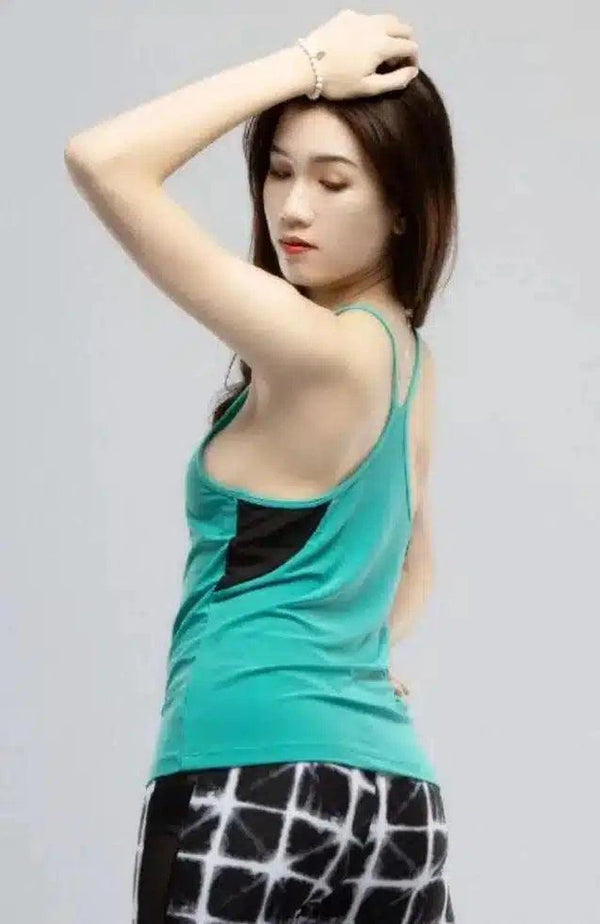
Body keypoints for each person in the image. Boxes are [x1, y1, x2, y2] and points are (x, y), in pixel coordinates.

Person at [65, 10, 457, 922]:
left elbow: (103, 160)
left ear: (403, 205)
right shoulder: (411, 361)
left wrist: (304, 64)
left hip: (246, 776)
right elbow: (412, 562)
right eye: (279, 171)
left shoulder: (316, 349)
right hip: (396, 803)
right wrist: (350, 662)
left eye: (333, 180)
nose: (293, 208)